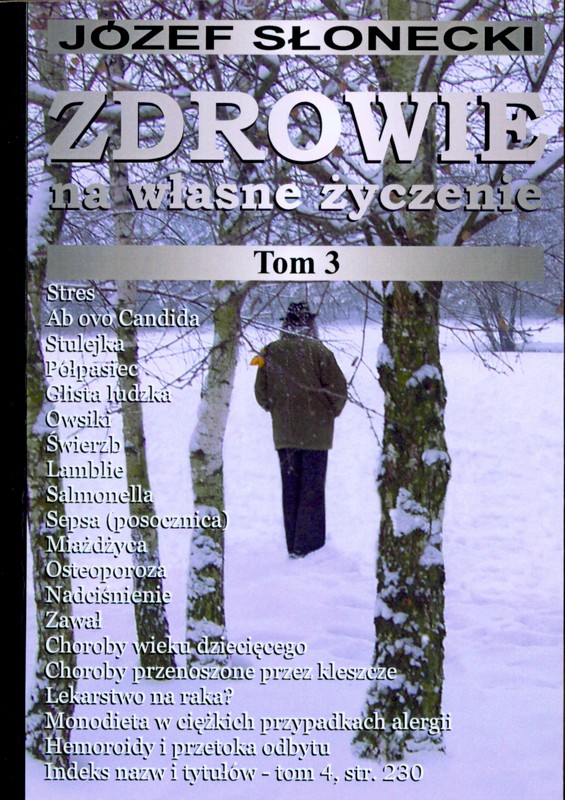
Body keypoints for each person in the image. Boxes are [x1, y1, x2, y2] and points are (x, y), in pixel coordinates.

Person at [253, 302, 347, 558]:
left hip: (285, 433)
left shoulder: (269, 352)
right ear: (310, 324)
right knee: (312, 490)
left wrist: (277, 408)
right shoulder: (320, 352)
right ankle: (310, 547)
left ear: (286, 324)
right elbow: (338, 391)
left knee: (290, 489)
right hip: (317, 435)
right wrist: (328, 413)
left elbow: (261, 394)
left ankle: (293, 543)